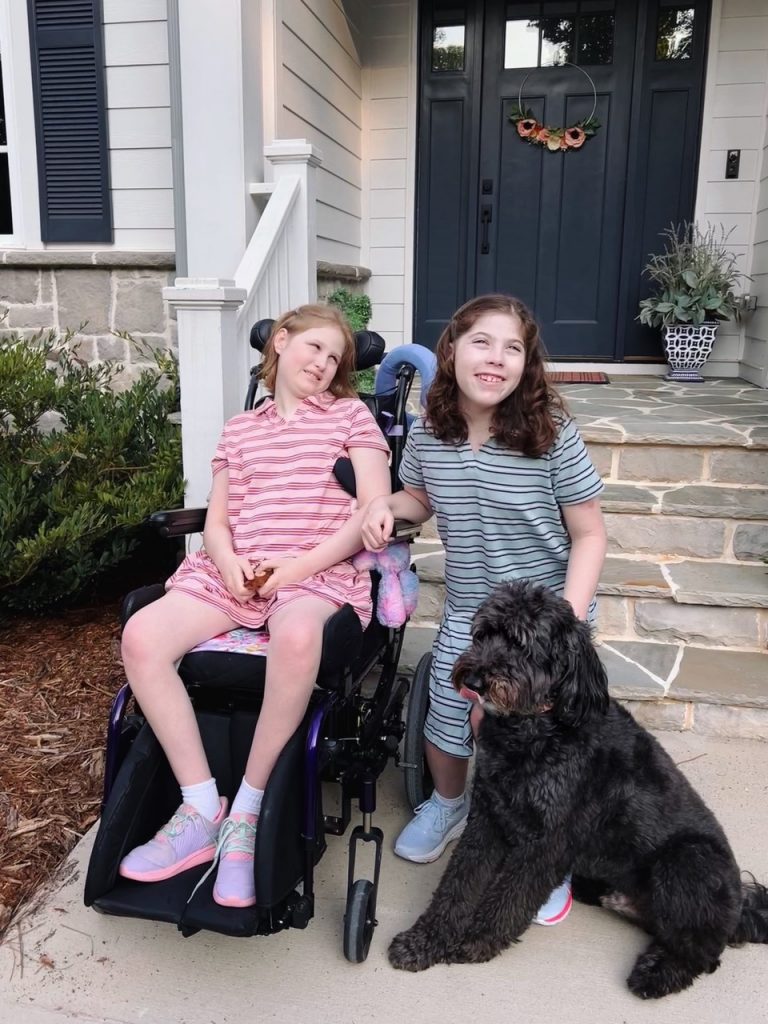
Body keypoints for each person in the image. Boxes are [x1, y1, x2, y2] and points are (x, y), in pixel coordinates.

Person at [118, 304, 391, 908]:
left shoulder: (351, 416)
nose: (322, 364)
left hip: (315, 574)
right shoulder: (242, 428)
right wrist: (228, 562)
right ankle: (199, 807)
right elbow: (218, 520)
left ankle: (246, 811)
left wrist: (301, 564)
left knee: (295, 637)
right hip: (236, 573)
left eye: (335, 358)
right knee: (141, 636)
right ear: (283, 342)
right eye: (313, 347)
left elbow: (368, 504)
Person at [361, 294, 606, 926]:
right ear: (451, 349)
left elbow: (590, 535)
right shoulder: (431, 427)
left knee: (534, 744)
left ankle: (540, 851)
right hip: (474, 612)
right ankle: (448, 803)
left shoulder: (550, 432)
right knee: (448, 714)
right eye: (482, 342)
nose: (496, 358)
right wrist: (390, 509)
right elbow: (418, 494)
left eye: (513, 348)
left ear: (527, 364)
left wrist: (568, 625)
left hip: (546, 618)